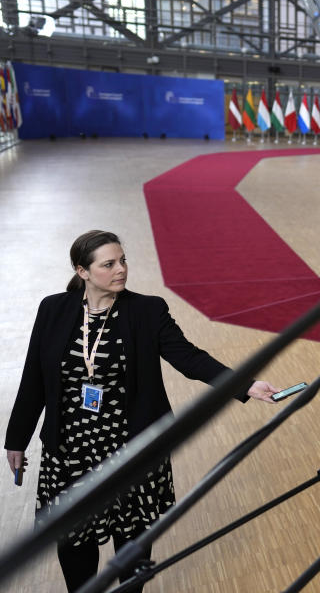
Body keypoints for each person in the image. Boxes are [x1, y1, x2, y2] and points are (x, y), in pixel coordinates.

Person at [4, 230, 280, 592]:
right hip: (70, 453)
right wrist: (17, 439)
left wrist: (243, 384)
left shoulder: (147, 311)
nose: (121, 269)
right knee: (75, 544)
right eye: (109, 264)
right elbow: (34, 380)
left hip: (131, 450)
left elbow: (189, 357)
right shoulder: (53, 309)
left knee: (132, 545)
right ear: (82, 271)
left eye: (123, 260)